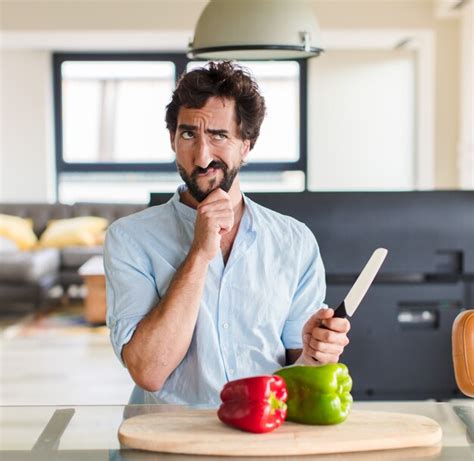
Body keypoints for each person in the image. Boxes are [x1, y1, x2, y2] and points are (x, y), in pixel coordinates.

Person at [104, 61, 350, 406]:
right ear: (173, 139)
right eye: (189, 134)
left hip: (264, 435)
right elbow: (148, 371)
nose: (202, 156)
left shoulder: (294, 241)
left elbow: (299, 370)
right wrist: (200, 253)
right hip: (169, 443)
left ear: (246, 145)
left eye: (219, 136)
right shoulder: (129, 239)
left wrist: (317, 353)